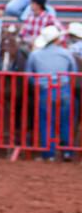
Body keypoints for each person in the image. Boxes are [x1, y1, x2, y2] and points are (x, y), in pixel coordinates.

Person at [26, 26, 73, 161]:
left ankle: (49, 153)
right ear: (57, 39)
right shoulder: (66, 53)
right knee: (65, 121)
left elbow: (29, 75)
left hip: (45, 90)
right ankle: (67, 152)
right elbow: (72, 71)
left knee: (46, 122)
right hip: (63, 89)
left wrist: (39, 83)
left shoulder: (35, 54)